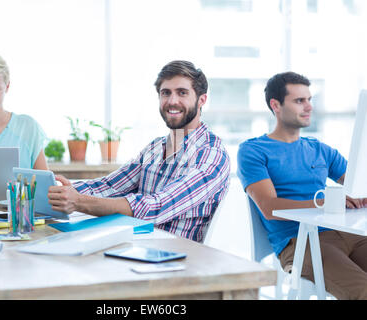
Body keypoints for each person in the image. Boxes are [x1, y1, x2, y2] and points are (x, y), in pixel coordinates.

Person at [47, 60, 230, 242]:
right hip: (137, 249)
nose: (172, 101)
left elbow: (156, 207)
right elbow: (110, 186)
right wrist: (60, 192)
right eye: (165, 93)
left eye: (182, 93)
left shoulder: (211, 154)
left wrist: (77, 201)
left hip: (179, 260)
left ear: (202, 100)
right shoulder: (155, 148)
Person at [237, 71, 367, 299]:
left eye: (309, 99)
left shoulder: (319, 149)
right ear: (275, 105)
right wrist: (324, 204)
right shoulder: (253, 151)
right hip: (299, 243)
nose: (308, 107)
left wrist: (359, 195)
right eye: (299, 101)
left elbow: (357, 182)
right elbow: (269, 207)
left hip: (348, 234)